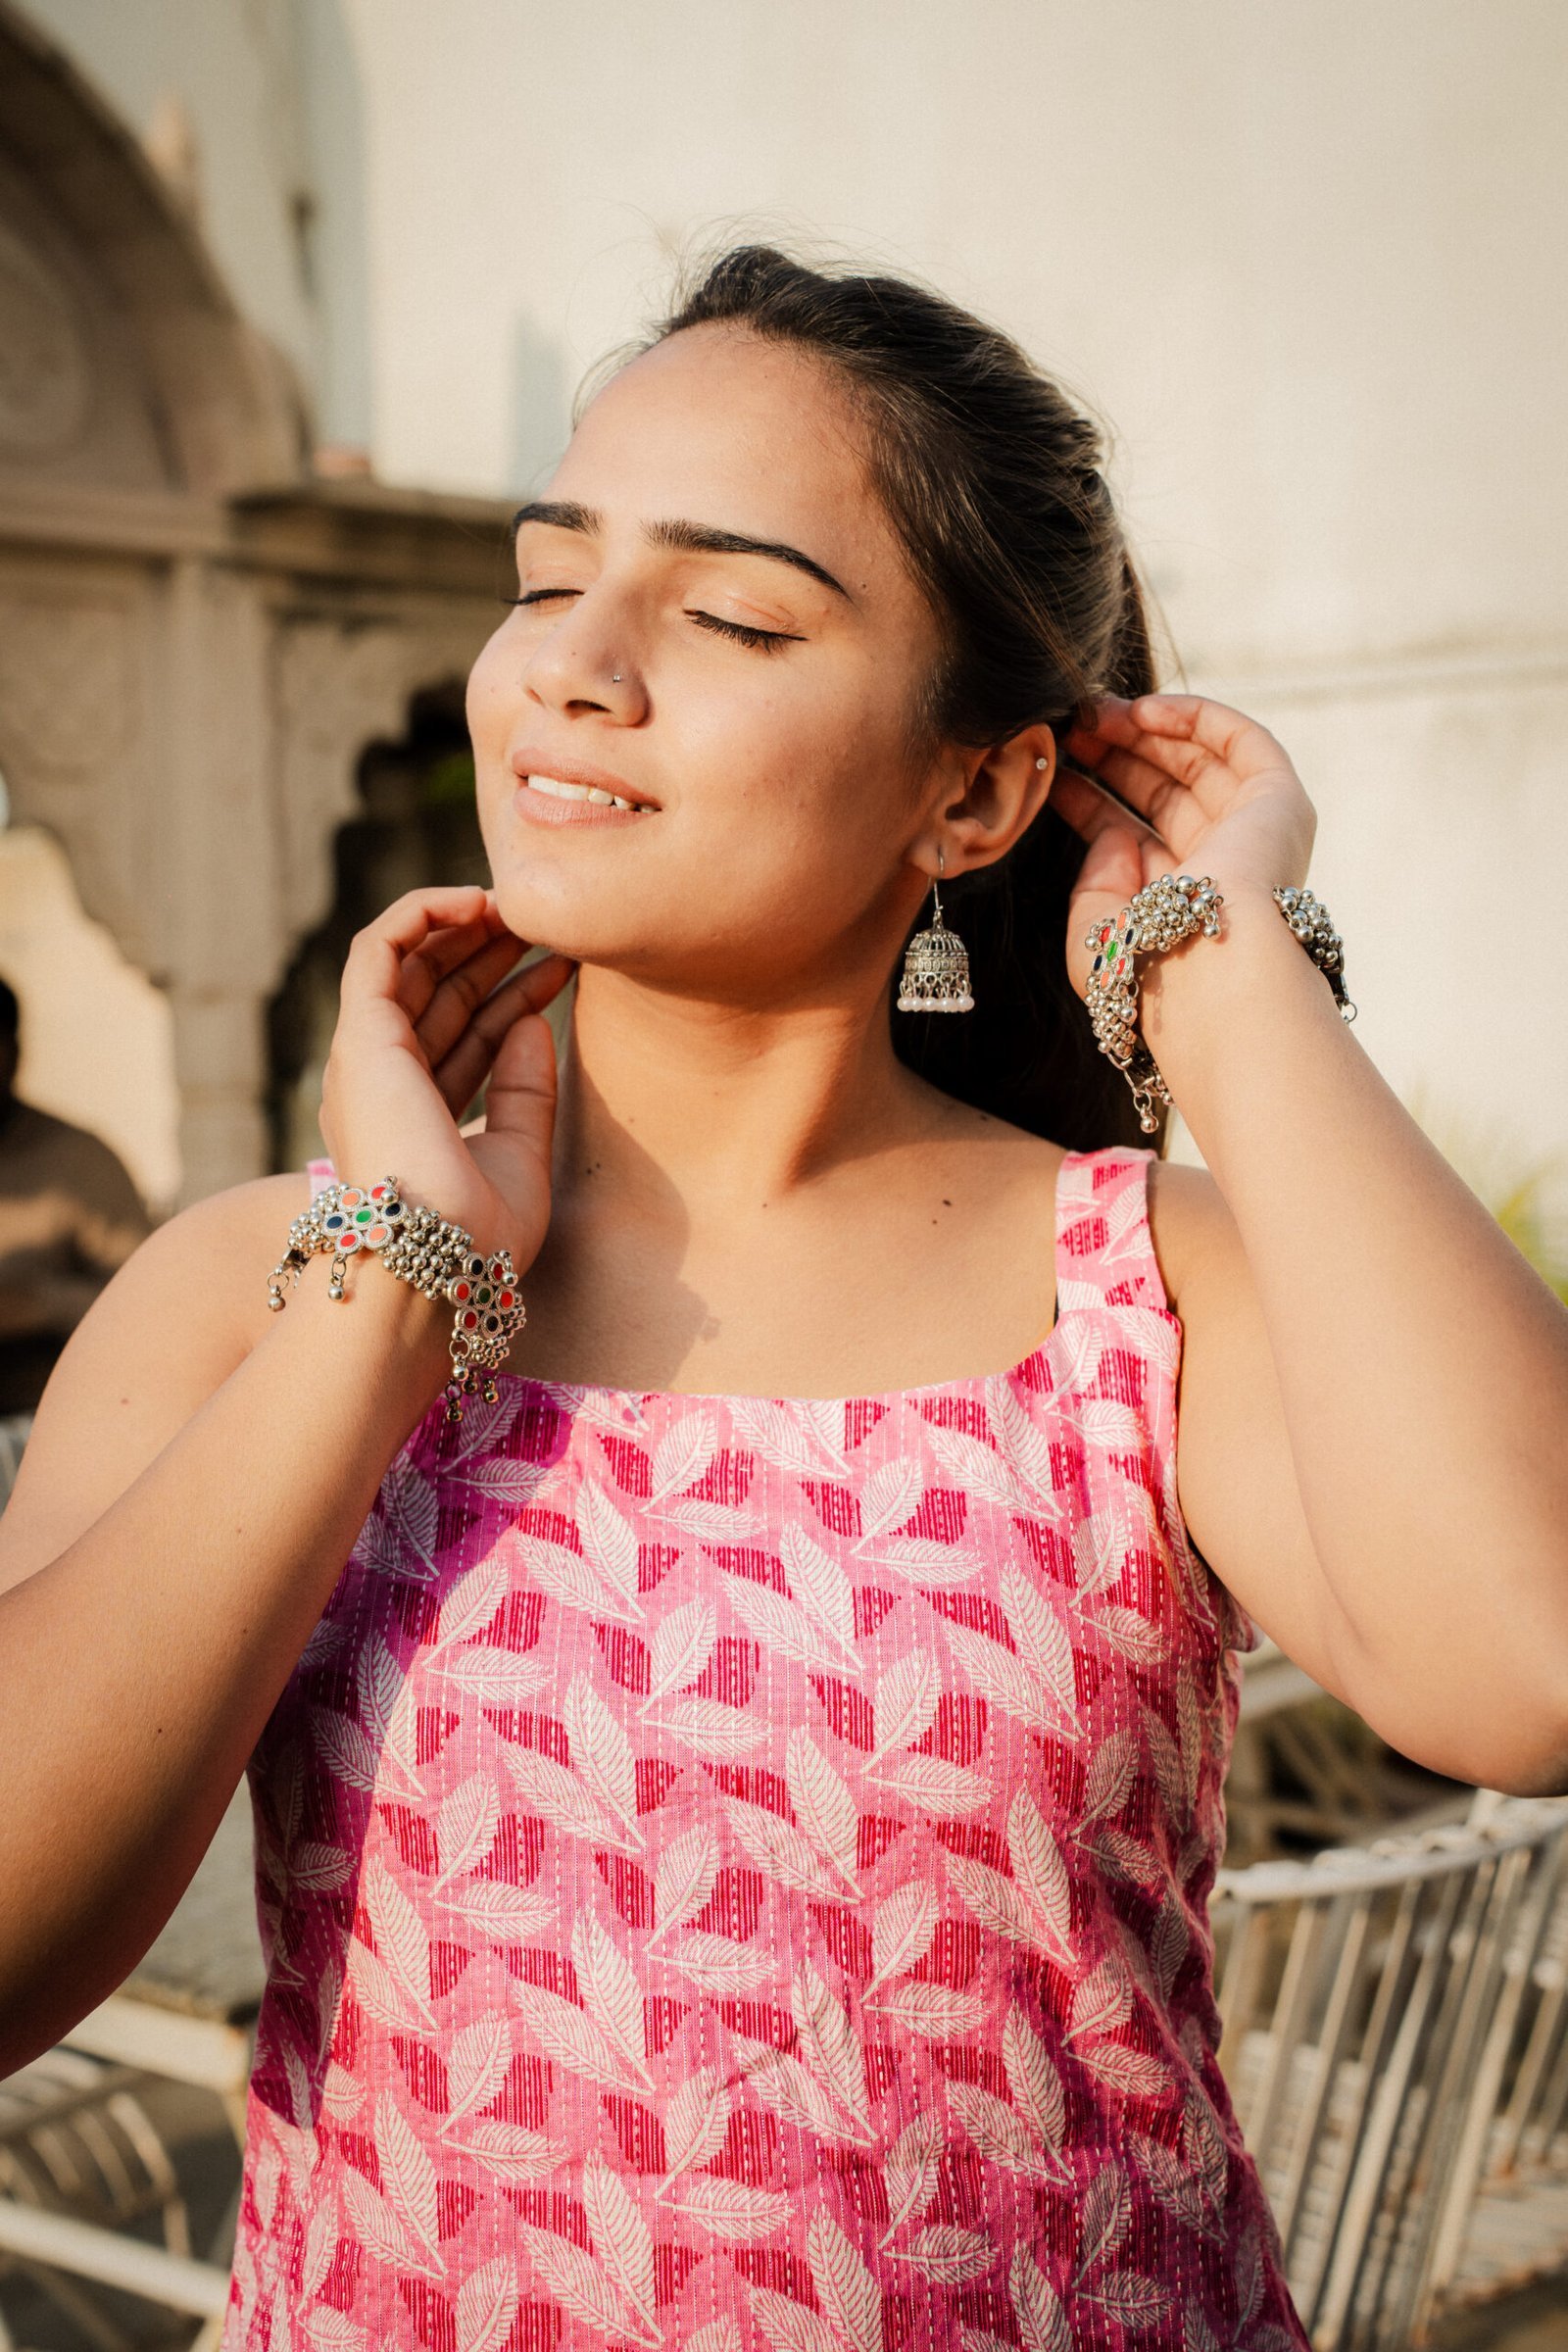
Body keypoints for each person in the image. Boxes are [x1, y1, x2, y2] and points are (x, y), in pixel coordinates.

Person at [2, 247, 1565, 2352]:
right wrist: (386, 1307)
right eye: (549, 579)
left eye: (729, 614)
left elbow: (1525, 1665)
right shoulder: (250, 1293)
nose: (575, 665)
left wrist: (1216, 963)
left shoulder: (1137, 1292)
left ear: (972, 789)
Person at [0, 977, 149, 1424]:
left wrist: (39, 1305)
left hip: (40, 1426)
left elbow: (149, 1305)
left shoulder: (77, 1162)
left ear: (13, 1052)